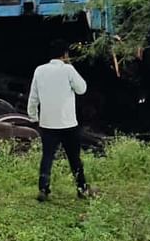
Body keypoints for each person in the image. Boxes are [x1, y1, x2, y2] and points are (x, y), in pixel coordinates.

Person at [27, 39, 98, 202]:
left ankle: (43, 189)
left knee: (47, 156)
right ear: (65, 54)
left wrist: (33, 117)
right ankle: (82, 189)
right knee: (74, 157)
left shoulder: (39, 70)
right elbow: (82, 89)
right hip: (68, 123)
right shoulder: (68, 69)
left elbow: (33, 97)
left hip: (47, 123)